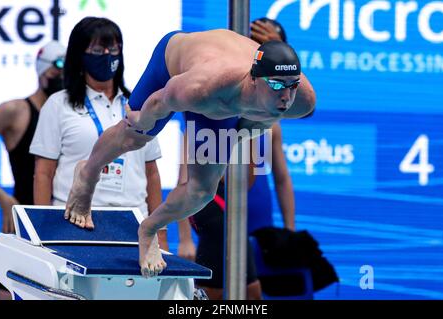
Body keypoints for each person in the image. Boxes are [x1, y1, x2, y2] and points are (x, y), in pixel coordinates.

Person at [64, 27, 316, 277]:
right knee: (133, 137)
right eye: (275, 85)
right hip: (174, 67)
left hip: (224, 103)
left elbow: (274, 105)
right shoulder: (203, 86)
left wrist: (252, 126)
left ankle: (149, 229)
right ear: (253, 79)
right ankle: (87, 174)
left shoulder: (302, 100)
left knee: (202, 192)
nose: (286, 96)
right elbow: (160, 101)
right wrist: (141, 121)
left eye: (291, 85)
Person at [177, 18, 295, 299]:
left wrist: (289, 229)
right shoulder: (214, 106)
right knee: (222, 293)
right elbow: (184, 176)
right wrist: (183, 237)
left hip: (256, 212)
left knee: (253, 294)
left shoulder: (274, 118)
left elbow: (281, 178)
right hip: (218, 210)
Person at [29, 17, 168, 251]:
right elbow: (43, 173)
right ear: (80, 55)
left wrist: (159, 231)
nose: (106, 54)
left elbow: (152, 173)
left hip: (133, 222)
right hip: (74, 220)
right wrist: (41, 234)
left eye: (112, 48)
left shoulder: (138, 105)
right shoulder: (59, 104)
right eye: (97, 49)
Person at [0, 40, 66, 299]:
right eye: (56, 71)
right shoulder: (15, 111)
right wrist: (3, 199)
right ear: (41, 70)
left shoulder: (69, 115)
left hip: (62, 225)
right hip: (21, 221)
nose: (60, 77)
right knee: (9, 293)